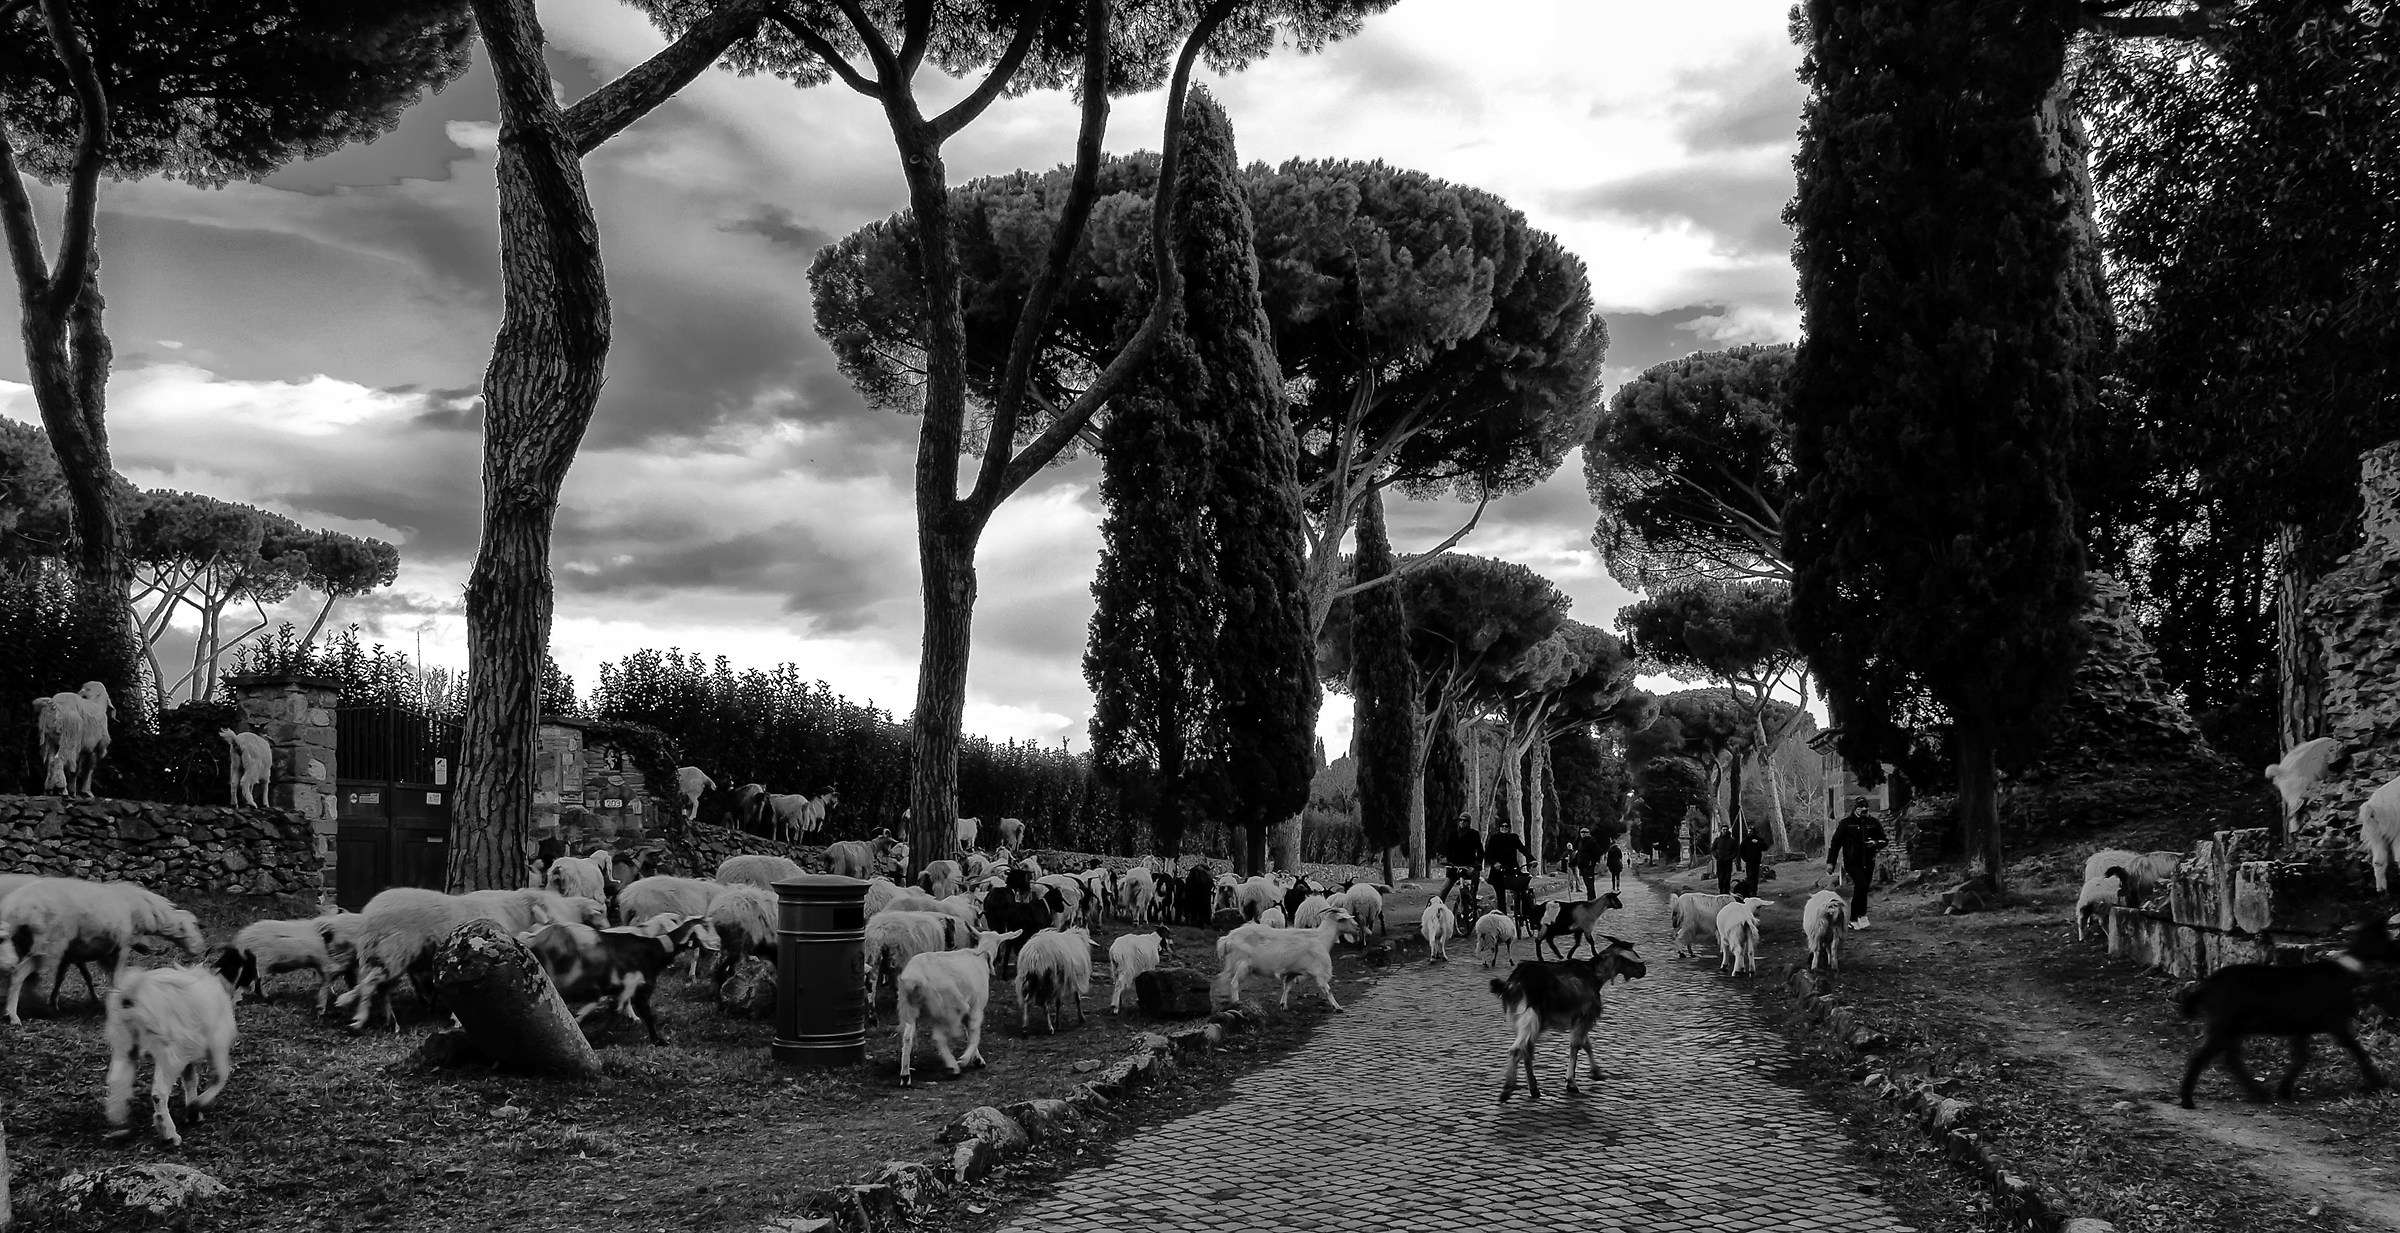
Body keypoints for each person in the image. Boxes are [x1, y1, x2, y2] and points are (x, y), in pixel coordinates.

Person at [1827, 797, 1890, 929]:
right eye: (1860, 807)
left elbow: (1884, 840)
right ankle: (1857, 916)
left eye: (1865, 808)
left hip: (1868, 860)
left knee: (1863, 888)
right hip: (1852, 861)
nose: (1863, 810)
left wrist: (1875, 843)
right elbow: (1836, 843)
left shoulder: (1873, 823)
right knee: (1860, 885)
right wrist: (1831, 862)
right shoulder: (1846, 824)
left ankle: (1859, 917)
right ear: (1855, 809)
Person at [1439, 817, 1485, 925]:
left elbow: (1480, 850)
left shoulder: (1474, 834)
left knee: (1472, 884)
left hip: (1469, 865)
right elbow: (1448, 849)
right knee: (1444, 889)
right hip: (1454, 866)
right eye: (1460, 820)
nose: (1462, 822)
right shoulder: (1453, 834)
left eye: (1465, 821)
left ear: (1469, 823)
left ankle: (1471, 905)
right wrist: (1450, 862)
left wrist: (1478, 863)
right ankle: (1438, 910)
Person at [1485, 819, 1528, 920]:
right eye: (1502, 826)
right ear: (1499, 828)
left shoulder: (1513, 838)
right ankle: (1504, 919)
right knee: (1500, 897)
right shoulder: (1494, 838)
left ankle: (1522, 913)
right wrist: (1494, 863)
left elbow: (1522, 849)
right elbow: (1487, 854)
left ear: (1509, 828)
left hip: (1512, 869)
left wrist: (1532, 859)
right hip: (1498, 872)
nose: (1504, 828)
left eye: (1506, 826)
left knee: (1521, 889)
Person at [1569, 827, 1605, 898]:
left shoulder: (1592, 841)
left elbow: (1599, 852)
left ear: (1588, 833)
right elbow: (1579, 854)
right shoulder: (1580, 842)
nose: (1583, 834)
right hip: (1582, 866)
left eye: (1584, 833)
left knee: (1590, 885)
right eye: (1581, 833)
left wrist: (1592, 861)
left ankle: (1592, 901)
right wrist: (1572, 863)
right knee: (1587, 885)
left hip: (1589, 867)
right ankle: (1590, 900)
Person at [1738, 828, 1769, 893]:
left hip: (1756, 861)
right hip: (1749, 861)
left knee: (1755, 877)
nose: (1750, 833)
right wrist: (1744, 858)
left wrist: (1758, 843)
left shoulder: (1758, 839)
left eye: (1751, 831)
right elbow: (1741, 851)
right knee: (1750, 876)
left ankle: (1754, 891)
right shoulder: (1746, 840)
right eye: (1749, 831)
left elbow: (1765, 847)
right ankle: (1749, 891)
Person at [1710, 825, 1738, 895]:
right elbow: (1712, 849)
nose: (1725, 831)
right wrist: (1716, 856)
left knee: (1728, 877)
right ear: (1721, 830)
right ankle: (1721, 891)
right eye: (1723, 830)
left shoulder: (1732, 840)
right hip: (1720, 861)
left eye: (1726, 829)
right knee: (1721, 877)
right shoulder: (1717, 840)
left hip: (1728, 861)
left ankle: (1726, 891)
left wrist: (1732, 857)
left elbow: (1736, 850)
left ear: (1728, 830)